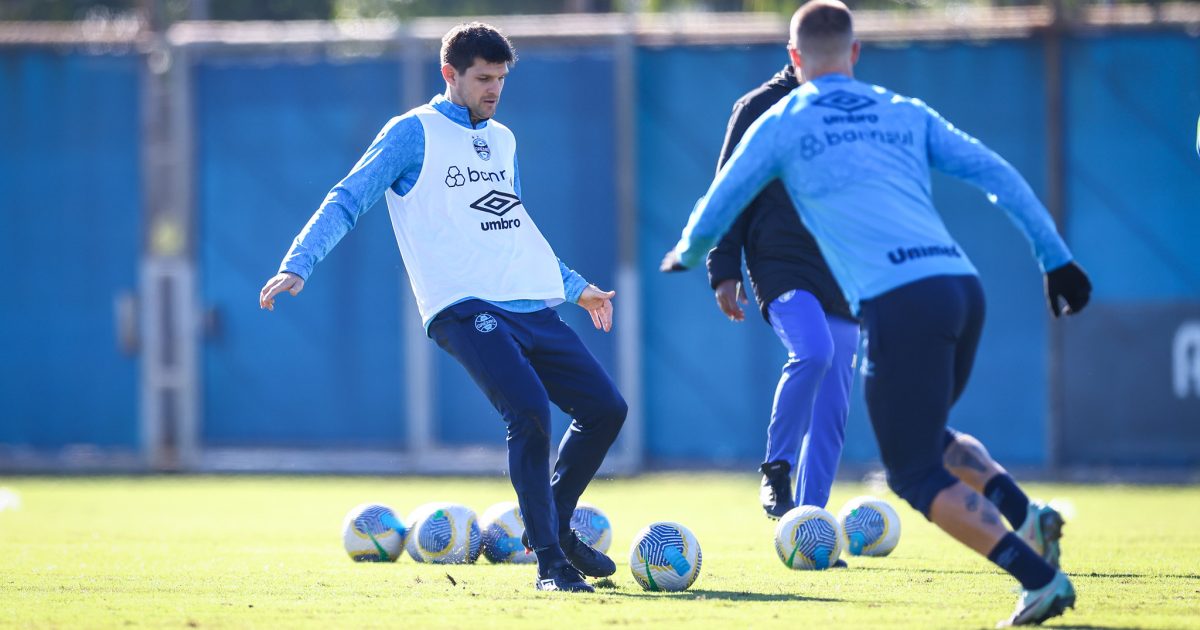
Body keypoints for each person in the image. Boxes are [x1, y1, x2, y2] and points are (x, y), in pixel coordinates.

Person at [660, 1, 1091, 625]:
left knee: (911, 473)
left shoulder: (784, 119)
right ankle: (1026, 515)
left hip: (899, 301)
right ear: (856, 55)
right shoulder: (903, 111)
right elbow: (996, 173)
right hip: (960, 287)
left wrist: (689, 253)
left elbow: (720, 199)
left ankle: (1039, 578)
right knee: (930, 436)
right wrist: (1057, 259)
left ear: (795, 59)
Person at [259, 22, 625, 593]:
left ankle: (549, 521)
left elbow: (513, 226)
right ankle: (552, 562)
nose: (494, 89)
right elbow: (348, 196)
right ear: (449, 73)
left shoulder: (502, 139)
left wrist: (576, 286)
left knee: (606, 409)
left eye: (501, 78)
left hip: (527, 304)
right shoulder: (413, 132)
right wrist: (298, 262)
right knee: (528, 411)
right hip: (462, 306)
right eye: (483, 78)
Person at [705, 65, 859, 519]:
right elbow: (727, 190)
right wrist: (724, 266)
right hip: (781, 263)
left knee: (836, 387)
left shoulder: (855, 109)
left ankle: (810, 521)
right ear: (795, 52)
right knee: (814, 352)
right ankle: (776, 470)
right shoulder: (758, 107)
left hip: (841, 268)